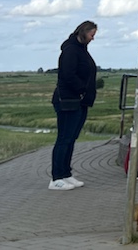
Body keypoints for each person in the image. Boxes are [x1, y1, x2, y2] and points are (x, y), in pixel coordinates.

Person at [49, 20, 98, 191]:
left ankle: (65, 173)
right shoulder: (70, 50)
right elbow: (68, 75)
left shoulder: (81, 50)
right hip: (68, 101)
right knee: (64, 138)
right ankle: (56, 178)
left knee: (71, 138)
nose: (93, 38)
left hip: (80, 101)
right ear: (83, 32)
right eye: (92, 34)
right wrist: (81, 90)